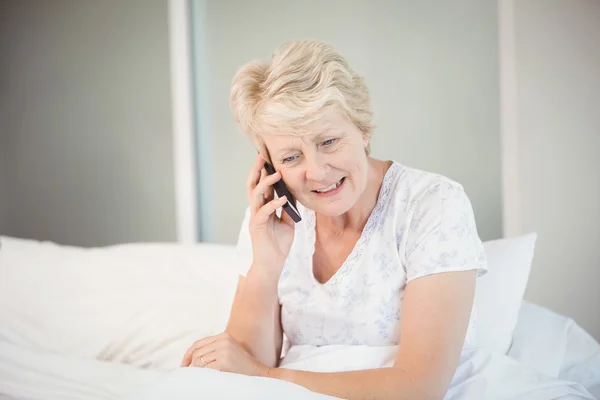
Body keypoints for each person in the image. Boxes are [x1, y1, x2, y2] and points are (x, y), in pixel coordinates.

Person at [180, 39, 488, 400]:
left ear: (363, 128)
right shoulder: (271, 219)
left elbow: (419, 388)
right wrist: (265, 265)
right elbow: (240, 373)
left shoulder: (432, 204)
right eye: (291, 157)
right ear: (269, 165)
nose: (317, 172)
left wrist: (265, 375)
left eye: (328, 141)